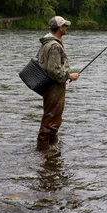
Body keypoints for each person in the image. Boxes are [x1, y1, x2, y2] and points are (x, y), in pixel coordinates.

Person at [37, 15, 80, 149]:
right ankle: (43, 152)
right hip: (54, 87)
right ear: (60, 28)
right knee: (50, 119)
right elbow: (53, 70)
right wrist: (69, 76)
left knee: (53, 119)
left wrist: (64, 78)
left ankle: (53, 151)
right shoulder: (54, 46)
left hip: (50, 86)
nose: (66, 28)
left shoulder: (47, 43)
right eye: (65, 26)